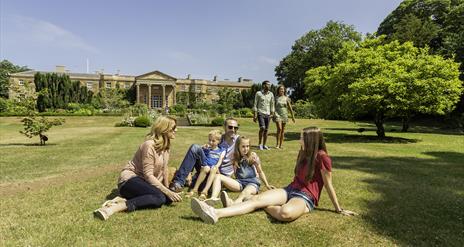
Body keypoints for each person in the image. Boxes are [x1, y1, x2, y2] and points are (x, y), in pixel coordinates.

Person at [191, 127, 357, 224]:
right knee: (256, 199)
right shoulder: (302, 153)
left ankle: (258, 204)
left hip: (306, 197)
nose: (299, 140)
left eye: (302, 138)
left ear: (312, 140)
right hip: (290, 189)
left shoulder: (322, 157)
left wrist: (338, 209)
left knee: (284, 213)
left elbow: (328, 184)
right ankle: (215, 212)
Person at [94, 116, 182, 220]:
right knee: (159, 198)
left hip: (145, 182)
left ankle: (121, 199)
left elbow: (164, 170)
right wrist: (167, 192)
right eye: (174, 127)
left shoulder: (166, 147)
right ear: (164, 129)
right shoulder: (149, 145)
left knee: (167, 199)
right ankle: (114, 208)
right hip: (129, 180)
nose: (176, 130)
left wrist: (168, 190)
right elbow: (148, 175)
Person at [169, 117, 240, 192]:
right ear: (224, 127)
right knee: (195, 147)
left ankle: (196, 181)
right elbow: (205, 151)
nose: (233, 130)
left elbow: (245, 151)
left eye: (235, 128)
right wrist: (190, 171)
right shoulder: (218, 138)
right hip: (208, 166)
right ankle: (178, 183)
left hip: (219, 173)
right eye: (230, 127)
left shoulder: (238, 140)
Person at [204, 136, 275, 206]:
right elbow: (232, 171)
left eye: (247, 146)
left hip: (253, 183)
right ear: (238, 147)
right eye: (243, 146)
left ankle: (233, 204)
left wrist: (267, 184)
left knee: (244, 193)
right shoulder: (235, 157)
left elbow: (260, 171)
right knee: (218, 176)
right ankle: (213, 198)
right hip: (240, 183)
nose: (246, 149)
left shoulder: (253, 156)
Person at [186, 129, 226, 199]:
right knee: (206, 168)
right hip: (205, 167)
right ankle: (195, 189)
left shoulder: (221, 150)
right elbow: (198, 153)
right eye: (209, 140)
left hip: (214, 168)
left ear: (219, 141)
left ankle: (205, 192)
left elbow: (220, 161)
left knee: (213, 168)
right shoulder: (207, 148)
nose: (211, 142)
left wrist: (216, 166)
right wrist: (203, 147)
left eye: (213, 141)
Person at [253, 80, 275, 150]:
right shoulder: (258, 93)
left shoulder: (271, 94)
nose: (269, 86)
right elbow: (255, 104)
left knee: (266, 130)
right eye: (267, 84)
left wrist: (272, 113)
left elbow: (272, 104)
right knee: (262, 127)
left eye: (269, 85)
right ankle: (259, 144)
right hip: (260, 112)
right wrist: (255, 114)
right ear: (263, 85)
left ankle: (264, 145)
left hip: (268, 114)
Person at [274, 85, 295, 149]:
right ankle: (277, 144)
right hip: (277, 114)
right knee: (279, 129)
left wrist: (292, 116)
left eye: (283, 89)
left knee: (283, 130)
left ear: (284, 90)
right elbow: (272, 107)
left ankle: (281, 145)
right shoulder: (276, 98)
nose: (282, 90)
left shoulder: (286, 98)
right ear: (278, 90)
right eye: (280, 89)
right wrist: (273, 113)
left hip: (284, 115)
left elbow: (290, 108)